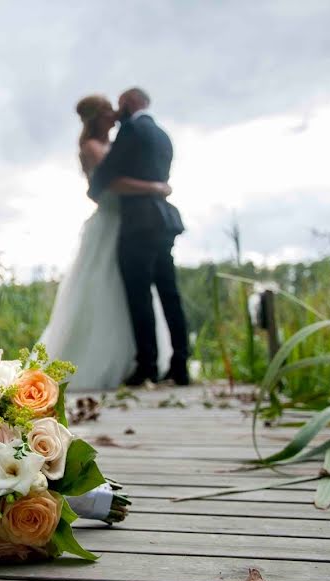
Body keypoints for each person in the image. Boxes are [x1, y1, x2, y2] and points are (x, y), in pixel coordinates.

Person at [38, 94, 173, 391]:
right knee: (104, 291)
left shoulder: (115, 144)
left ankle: (139, 361)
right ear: (98, 116)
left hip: (130, 222)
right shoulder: (92, 148)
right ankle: (103, 364)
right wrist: (155, 187)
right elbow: (109, 183)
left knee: (131, 295)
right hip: (110, 224)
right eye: (109, 110)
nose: (115, 114)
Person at [88, 88, 190, 386]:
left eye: (120, 108)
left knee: (139, 295)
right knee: (170, 294)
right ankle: (180, 364)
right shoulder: (163, 135)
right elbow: (160, 179)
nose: (118, 116)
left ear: (130, 104)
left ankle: (146, 364)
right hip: (164, 221)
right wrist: (157, 187)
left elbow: (102, 181)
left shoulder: (131, 130)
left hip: (137, 224)